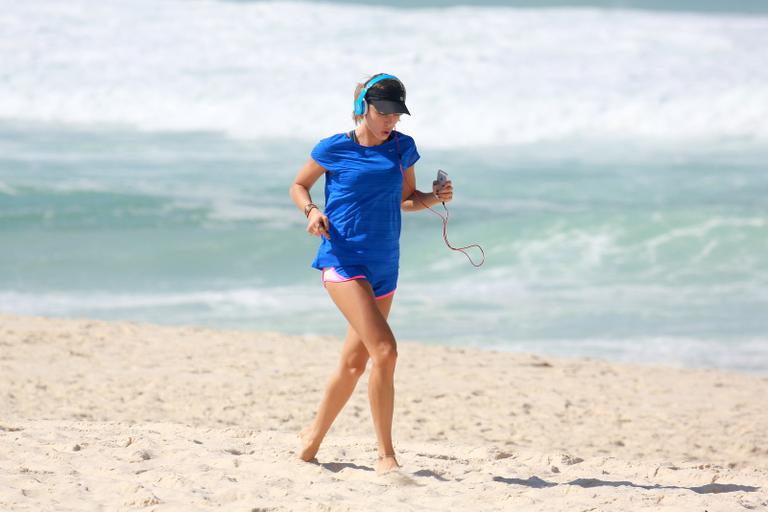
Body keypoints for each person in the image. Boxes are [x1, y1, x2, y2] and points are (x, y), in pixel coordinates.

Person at [289, 73, 453, 475]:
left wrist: (436, 198)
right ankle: (386, 456)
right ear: (364, 107)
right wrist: (312, 212)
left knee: (353, 363)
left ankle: (311, 437)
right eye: (385, 112)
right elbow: (298, 185)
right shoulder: (335, 147)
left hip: (385, 265)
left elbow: (406, 201)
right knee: (385, 351)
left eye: (398, 114)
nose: (392, 121)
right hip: (342, 260)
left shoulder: (403, 148)